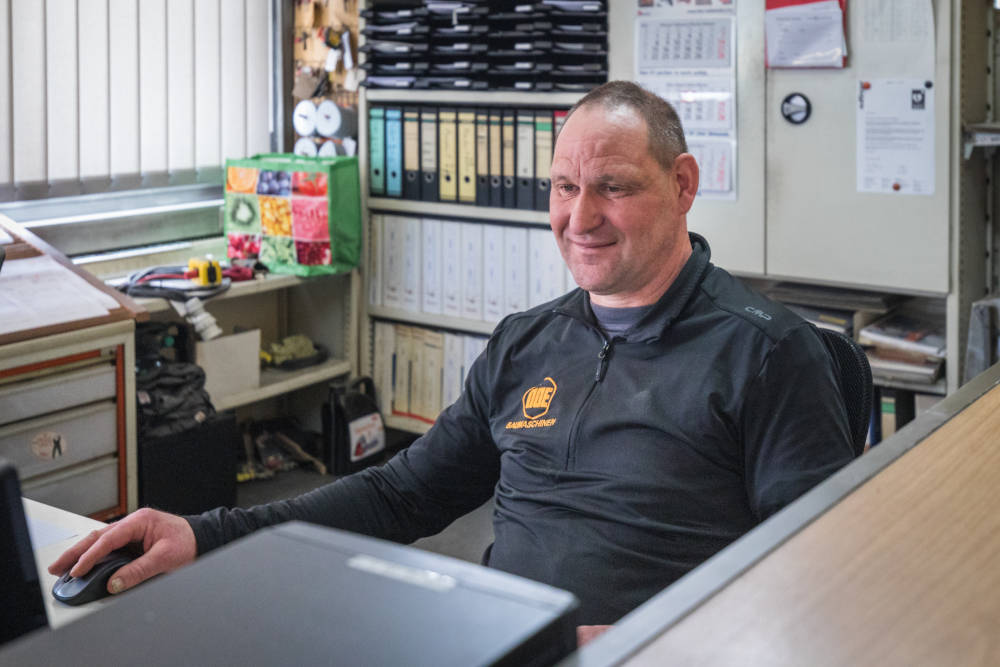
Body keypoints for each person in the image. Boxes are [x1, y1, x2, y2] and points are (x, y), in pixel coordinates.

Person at [51, 81, 853, 645]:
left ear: (683, 185)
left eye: (613, 187)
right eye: (563, 187)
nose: (580, 217)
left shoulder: (767, 354)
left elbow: (819, 575)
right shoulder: (527, 343)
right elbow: (403, 492)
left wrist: (667, 640)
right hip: (494, 641)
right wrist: (204, 533)